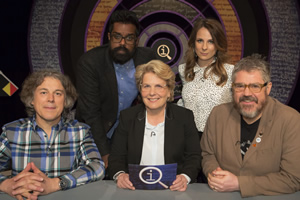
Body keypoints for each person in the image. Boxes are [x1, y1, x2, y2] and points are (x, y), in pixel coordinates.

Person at [200, 54, 300, 197]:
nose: (247, 93)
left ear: (268, 88)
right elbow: (208, 154)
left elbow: (293, 178)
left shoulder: (291, 120)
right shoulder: (218, 115)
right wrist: (216, 174)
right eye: (239, 86)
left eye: (255, 86)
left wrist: (239, 183)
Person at [0, 71, 105, 200]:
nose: (51, 99)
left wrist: (56, 184)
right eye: (44, 92)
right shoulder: (12, 131)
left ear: (65, 101)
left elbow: (97, 167)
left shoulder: (80, 131)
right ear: (32, 99)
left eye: (58, 93)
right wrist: (6, 184)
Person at [75, 10, 157, 169]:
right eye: (117, 36)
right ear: (109, 37)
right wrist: (105, 154)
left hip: (129, 135)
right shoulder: (90, 62)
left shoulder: (148, 58)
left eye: (129, 38)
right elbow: (91, 113)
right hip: (95, 134)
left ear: (136, 40)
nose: (122, 43)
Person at [109, 60, 201, 191]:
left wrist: (185, 177)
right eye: (146, 86)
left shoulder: (184, 117)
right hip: (134, 190)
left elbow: (194, 156)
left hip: (172, 190)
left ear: (169, 90)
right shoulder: (127, 117)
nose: (152, 93)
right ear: (140, 90)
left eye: (158, 86)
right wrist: (120, 175)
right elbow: (116, 157)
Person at [178, 18, 233, 137]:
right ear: (193, 43)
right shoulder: (184, 70)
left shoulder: (230, 72)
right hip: (188, 138)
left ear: (218, 45)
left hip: (218, 138)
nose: (204, 47)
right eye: (200, 41)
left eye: (211, 42)